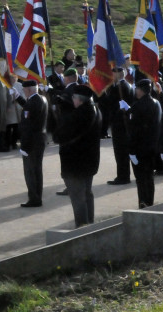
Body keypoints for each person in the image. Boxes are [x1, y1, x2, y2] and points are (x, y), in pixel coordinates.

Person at [56, 85, 101, 228]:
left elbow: (58, 135)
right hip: (89, 161)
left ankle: (82, 228)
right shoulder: (95, 110)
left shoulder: (78, 115)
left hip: (75, 162)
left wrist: (59, 112)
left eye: (73, 98)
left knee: (78, 197)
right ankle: (90, 223)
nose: (72, 100)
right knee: (87, 194)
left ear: (79, 100)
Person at [128, 78, 162, 207]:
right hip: (152, 147)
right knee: (149, 177)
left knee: (141, 179)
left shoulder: (138, 106)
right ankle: (149, 202)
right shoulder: (156, 103)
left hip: (140, 149)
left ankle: (143, 202)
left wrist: (131, 151)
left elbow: (134, 130)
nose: (136, 91)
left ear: (141, 90)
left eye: (137, 89)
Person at [16, 79, 48, 208]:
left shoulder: (32, 103)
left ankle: (34, 198)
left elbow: (27, 126)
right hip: (40, 139)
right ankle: (36, 197)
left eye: (23, 91)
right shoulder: (42, 99)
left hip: (32, 142)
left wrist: (24, 146)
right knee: (37, 170)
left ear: (28, 90)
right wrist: (19, 98)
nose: (24, 92)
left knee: (31, 171)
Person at [103, 66, 135, 185]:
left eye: (114, 73)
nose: (112, 76)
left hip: (121, 124)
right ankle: (122, 175)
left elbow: (112, 104)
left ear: (119, 74)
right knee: (120, 152)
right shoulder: (119, 86)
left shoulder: (123, 87)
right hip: (120, 123)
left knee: (121, 151)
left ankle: (123, 176)